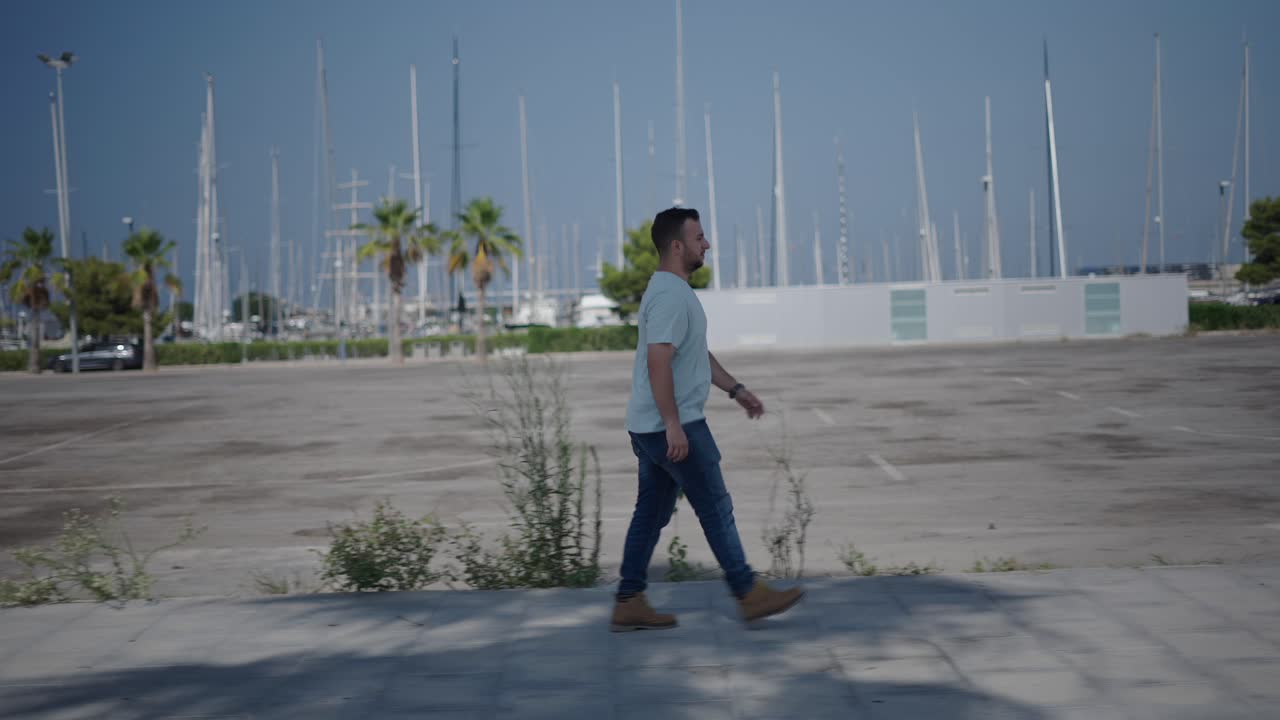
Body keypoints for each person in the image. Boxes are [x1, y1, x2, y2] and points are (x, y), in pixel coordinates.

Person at [610, 207, 804, 632]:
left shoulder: (672, 292)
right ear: (677, 246)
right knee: (716, 508)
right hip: (670, 427)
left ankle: (628, 600)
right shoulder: (669, 296)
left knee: (651, 513)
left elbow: (693, 354)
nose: (707, 245)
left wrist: (736, 390)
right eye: (699, 238)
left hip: (650, 425)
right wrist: (674, 425)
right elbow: (658, 362)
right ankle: (747, 592)